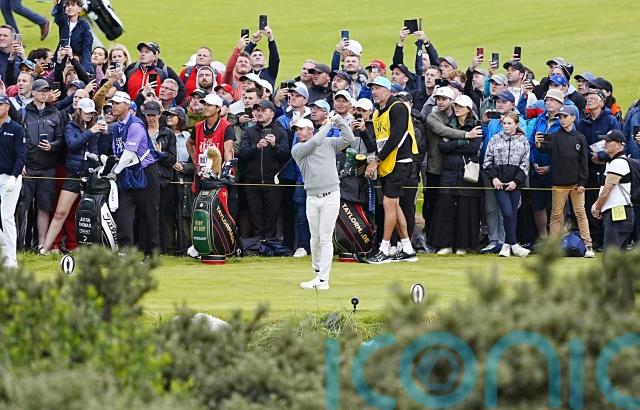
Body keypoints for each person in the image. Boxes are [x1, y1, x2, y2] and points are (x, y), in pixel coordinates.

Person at [291, 115, 354, 290]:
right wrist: (328, 125)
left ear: (311, 130)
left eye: (301, 129)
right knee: (315, 238)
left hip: (331, 195)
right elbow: (314, 143)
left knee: (325, 237)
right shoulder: (298, 149)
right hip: (312, 197)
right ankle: (317, 273)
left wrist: (339, 119)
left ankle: (323, 280)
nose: (298, 132)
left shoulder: (329, 143)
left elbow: (349, 138)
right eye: (297, 130)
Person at [40, 98, 109, 254]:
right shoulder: (70, 126)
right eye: (86, 112)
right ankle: (45, 248)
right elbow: (73, 145)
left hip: (91, 175)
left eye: (91, 113)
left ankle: (92, 250)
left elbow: (100, 151)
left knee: (91, 214)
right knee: (60, 212)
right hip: (74, 174)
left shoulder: (95, 127)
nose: (89, 115)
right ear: (79, 111)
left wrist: (104, 134)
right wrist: (91, 131)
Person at [365, 76, 419, 263]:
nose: (374, 92)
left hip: (400, 161)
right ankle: (407, 248)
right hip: (387, 163)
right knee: (394, 205)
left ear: (388, 90)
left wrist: (376, 161)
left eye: (377, 88)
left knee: (389, 204)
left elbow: (395, 138)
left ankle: (385, 249)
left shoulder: (398, 107)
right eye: (372, 88)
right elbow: (380, 142)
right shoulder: (377, 113)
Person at [534, 104, 594, 257]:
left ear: (573, 118)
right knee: (555, 215)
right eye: (560, 117)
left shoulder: (580, 137)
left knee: (580, 213)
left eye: (565, 116)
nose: (562, 120)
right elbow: (543, 148)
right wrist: (538, 144)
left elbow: (584, 162)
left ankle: (588, 245)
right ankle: (553, 248)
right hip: (558, 183)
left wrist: (582, 182)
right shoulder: (554, 136)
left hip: (576, 184)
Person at [107, 91, 160, 258]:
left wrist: (114, 172)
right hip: (127, 171)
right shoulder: (117, 127)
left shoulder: (135, 125)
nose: (113, 106)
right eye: (112, 103)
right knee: (123, 212)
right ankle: (125, 253)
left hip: (145, 171)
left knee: (149, 214)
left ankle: (152, 254)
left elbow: (129, 154)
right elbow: (118, 153)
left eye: (117, 103)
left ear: (127, 105)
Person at [428, 95, 482, 255]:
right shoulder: (449, 124)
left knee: (465, 209)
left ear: (468, 109)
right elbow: (442, 147)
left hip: (467, 172)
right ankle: (445, 244)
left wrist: (453, 143)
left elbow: (473, 148)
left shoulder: (476, 126)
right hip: (450, 171)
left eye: (460, 106)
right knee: (446, 207)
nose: (457, 108)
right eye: (456, 106)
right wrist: (464, 139)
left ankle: (461, 245)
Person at [19, 79, 65, 251]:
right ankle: (20, 244)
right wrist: (20, 163)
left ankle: (41, 245)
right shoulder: (23, 113)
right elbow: (18, 141)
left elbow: (61, 140)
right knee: (23, 207)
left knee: (44, 207)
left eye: (47, 91)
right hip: (28, 167)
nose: (45, 93)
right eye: (42, 91)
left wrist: (51, 146)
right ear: (33, 93)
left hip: (47, 168)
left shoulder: (55, 113)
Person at [577, 88, 620, 250]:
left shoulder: (610, 120)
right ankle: (595, 239)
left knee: (606, 200)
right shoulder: (583, 122)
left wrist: (601, 156)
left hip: (606, 167)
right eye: (588, 97)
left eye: (593, 98)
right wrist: (591, 156)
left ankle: (606, 239)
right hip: (588, 167)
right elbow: (580, 143)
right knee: (590, 202)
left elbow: (617, 141)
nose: (589, 100)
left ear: (602, 102)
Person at [239, 100, 289, 239]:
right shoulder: (249, 131)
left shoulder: (280, 131)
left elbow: (285, 155)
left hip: (273, 182)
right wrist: (256, 147)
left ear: (272, 113)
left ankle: (270, 244)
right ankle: (257, 244)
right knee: (255, 217)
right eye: (258, 110)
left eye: (263, 110)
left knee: (271, 217)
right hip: (252, 181)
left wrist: (274, 145)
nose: (259, 113)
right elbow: (243, 153)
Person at [482, 112, 530, 257]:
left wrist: (516, 181)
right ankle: (514, 244)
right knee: (507, 212)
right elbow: (487, 160)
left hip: (515, 182)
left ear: (516, 124)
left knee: (513, 213)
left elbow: (525, 163)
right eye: (504, 123)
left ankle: (507, 245)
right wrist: (494, 178)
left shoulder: (523, 140)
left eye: (509, 123)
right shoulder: (495, 139)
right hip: (499, 182)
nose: (506, 126)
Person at [591, 130, 635, 250]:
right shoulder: (613, 162)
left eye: (608, 141)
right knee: (618, 256)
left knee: (610, 255)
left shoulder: (618, 163)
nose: (605, 143)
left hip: (617, 213)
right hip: (619, 212)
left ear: (619, 145)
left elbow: (606, 191)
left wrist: (597, 207)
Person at [143, 100, 177, 254]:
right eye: (148, 115)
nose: (151, 118)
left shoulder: (167, 133)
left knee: (161, 215)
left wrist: (160, 154)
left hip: (162, 179)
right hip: (143, 178)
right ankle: (144, 247)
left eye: (153, 115)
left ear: (159, 115)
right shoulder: (140, 130)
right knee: (144, 214)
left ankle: (161, 248)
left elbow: (172, 159)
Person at [0, 94, 25, 267]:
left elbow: (21, 156)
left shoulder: (16, 128)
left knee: (6, 216)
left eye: (0, 105)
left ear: (7, 107)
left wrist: (14, 177)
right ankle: (3, 245)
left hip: (10, 177)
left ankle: (11, 260)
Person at [52, 0, 93, 73]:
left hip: (76, 59)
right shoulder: (63, 22)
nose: (70, 7)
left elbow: (87, 49)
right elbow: (58, 17)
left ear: (79, 9)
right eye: (67, 5)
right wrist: (59, 3)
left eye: (73, 5)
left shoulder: (84, 26)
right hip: (61, 58)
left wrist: (86, 70)